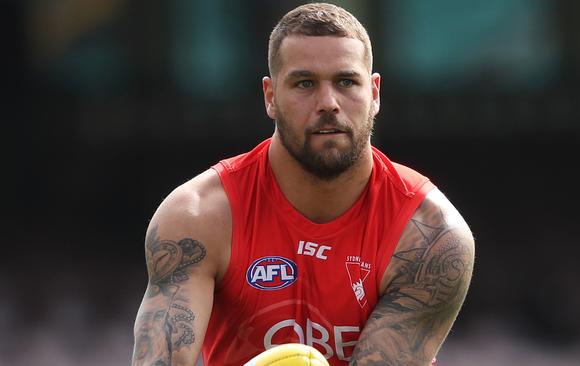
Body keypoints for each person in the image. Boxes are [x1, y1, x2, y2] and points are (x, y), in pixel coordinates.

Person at [131, 3, 474, 365]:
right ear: (270, 97)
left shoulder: (430, 236)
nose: (328, 103)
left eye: (346, 82)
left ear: (374, 93)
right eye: (305, 83)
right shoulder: (197, 218)